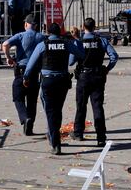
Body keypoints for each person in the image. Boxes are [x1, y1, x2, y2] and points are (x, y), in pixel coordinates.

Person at [23, 23, 84, 154]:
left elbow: (31, 64)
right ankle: (53, 136)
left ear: (48, 32)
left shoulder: (43, 45)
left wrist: (26, 77)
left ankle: (55, 143)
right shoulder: (66, 43)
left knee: (50, 112)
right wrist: (76, 41)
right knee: (57, 110)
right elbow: (80, 54)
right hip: (62, 80)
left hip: (48, 80)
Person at [70, 17, 119, 147]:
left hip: (83, 76)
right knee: (97, 106)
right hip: (97, 76)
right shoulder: (101, 40)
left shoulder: (79, 42)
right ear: (94, 26)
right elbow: (114, 56)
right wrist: (107, 69)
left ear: (83, 27)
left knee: (81, 105)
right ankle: (101, 137)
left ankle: (78, 133)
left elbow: (71, 62)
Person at [2, 14, 46, 135]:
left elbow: (5, 44)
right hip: (35, 72)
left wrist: (8, 57)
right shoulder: (41, 37)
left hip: (21, 70)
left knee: (18, 98)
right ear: (36, 25)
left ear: (26, 24)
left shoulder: (21, 35)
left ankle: (24, 117)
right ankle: (29, 127)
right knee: (32, 101)